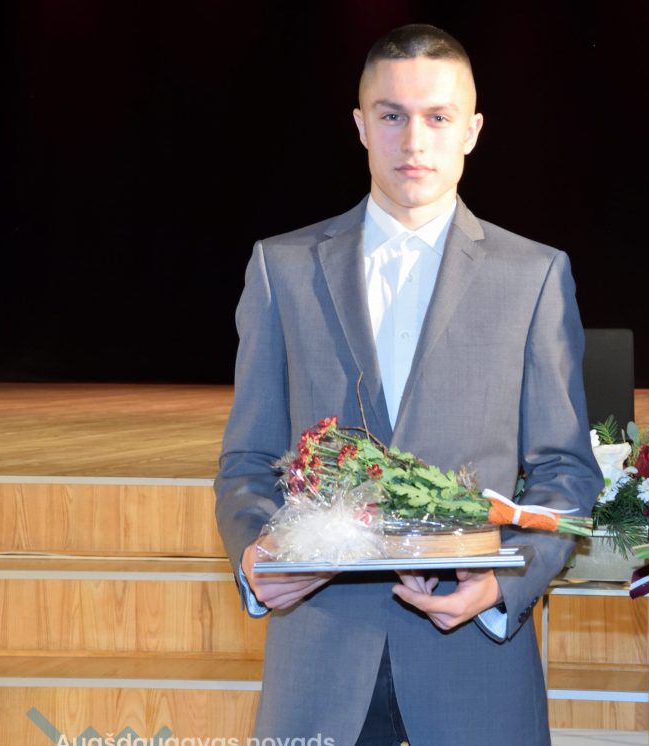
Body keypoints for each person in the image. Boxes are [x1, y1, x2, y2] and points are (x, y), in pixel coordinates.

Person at [214, 24, 602, 746]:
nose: (414, 141)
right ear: (361, 126)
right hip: (320, 662)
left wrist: (505, 584)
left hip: (475, 667)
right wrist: (257, 557)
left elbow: (565, 471)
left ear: (472, 131)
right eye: (392, 115)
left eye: (437, 117)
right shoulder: (282, 269)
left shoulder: (534, 275)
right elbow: (248, 459)